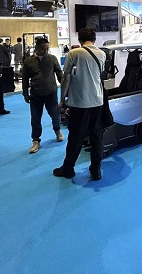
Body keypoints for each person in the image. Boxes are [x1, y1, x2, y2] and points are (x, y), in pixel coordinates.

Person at [53, 27, 105, 181]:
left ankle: (68, 169)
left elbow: (66, 78)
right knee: (96, 138)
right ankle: (96, 171)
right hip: (97, 101)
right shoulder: (102, 54)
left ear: (80, 40)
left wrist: (62, 99)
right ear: (94, 39)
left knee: (75, 138)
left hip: (79, 103)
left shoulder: (74, 53)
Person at [23, 38, 63, 154]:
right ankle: (36, 140)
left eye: (47, 49)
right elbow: (25, 79)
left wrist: (66, 89)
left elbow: (60, 75)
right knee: (35, 119)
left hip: (51, 93)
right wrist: (25, 94)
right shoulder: (28, 62)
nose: (45, 52)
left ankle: (57, 131)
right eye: (42, 49)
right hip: (35, 94)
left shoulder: (52, 59)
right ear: (36, 48)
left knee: (55, 114)